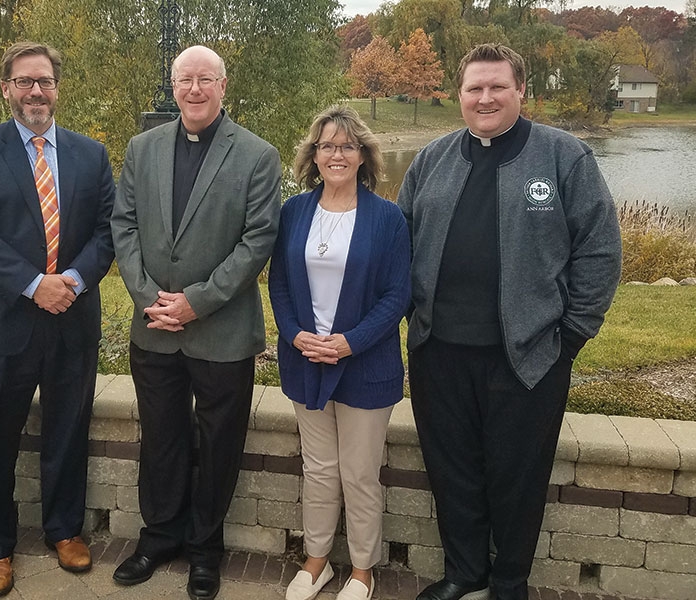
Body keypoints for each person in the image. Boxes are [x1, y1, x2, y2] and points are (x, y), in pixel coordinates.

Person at [398, 44, 621, 600]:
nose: (486, 98)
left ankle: (509, 581)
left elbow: (599, 252)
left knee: (517, 478)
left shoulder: (563, 158)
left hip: (527, 356)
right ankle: (464, 571)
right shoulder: (431, 161)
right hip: (438, 351)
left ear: (521, 90)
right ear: (459, 96)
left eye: (497, 87)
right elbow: (397, 244)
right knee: (453, 472)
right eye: (474, 88)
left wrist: (569, 337)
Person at [110, 45, 281, 600]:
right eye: (185, 80)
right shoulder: (142, 148)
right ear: (173, 85)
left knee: (219, 442)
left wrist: (195, 302)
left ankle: (206, 547)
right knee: (160, 437)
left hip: (221, 331)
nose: (195, 90)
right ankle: (159, 536)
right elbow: (124, 225)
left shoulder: (257, 155)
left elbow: (258, 240)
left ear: (223, 86)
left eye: (206, 79)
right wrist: (146, 296)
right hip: (152, 326)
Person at [0, 41, 115, 597]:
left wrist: (70, 282)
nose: (35, 91)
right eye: (24, 82)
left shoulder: (91, 154)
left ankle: (64, 530)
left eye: (44, 81)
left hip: (72, 316)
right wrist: (32, 284)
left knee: (69, 430)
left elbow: (108, 231)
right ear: (7, 89)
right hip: (3, 322)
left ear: (57, 87)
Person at [269, 105, 410, 600]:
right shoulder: (294, 212)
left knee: (359, 472)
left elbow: (397, 295)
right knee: (320, 468)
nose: (336, 154)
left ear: (364, 155)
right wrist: (293, 334)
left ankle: (364, 569)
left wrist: (351, 341)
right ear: (313, 154)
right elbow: (280, 285)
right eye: (327, 145)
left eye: (347, 145)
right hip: (305, 360)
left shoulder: (387, 217)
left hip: (365, 365)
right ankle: (317, 560)